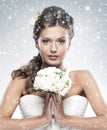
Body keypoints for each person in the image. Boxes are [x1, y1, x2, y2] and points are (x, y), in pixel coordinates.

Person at [0, 5, 107, 130]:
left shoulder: (82, 78)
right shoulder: (22, 80)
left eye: (61, 41)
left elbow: (105, 122)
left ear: (69, 44)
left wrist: (64, 119)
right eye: (46, 41)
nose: (53, 49)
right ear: (36, 43)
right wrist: (42, 120)